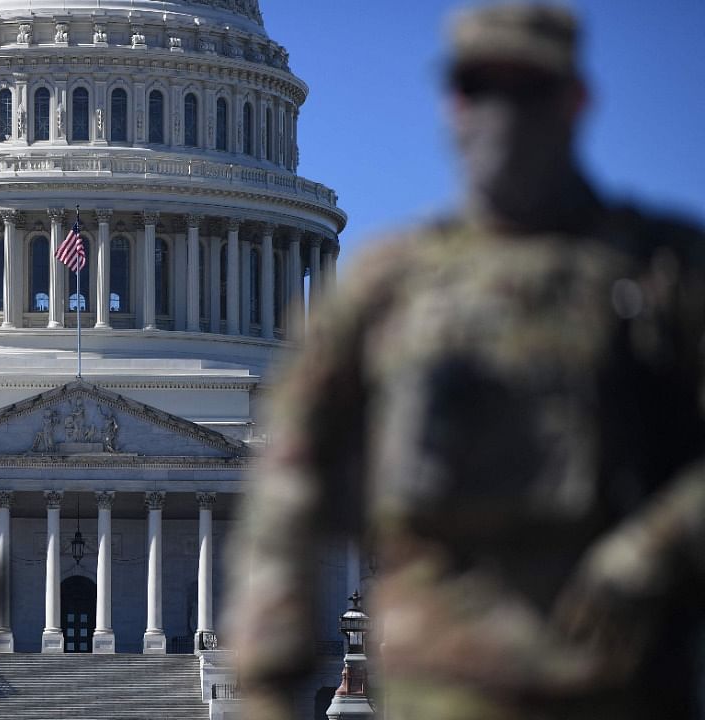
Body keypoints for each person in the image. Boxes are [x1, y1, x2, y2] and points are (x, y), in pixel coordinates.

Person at [227, 5, 705, 720]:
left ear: (576, 100)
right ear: (450, 102)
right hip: (439, 690)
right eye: (478, 86)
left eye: (528, 88)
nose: (500, 114)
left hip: (621, 683)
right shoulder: (387, 287)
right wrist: (266, 688)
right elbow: (286, 496)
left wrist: (651, 552)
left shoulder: (663, 272)